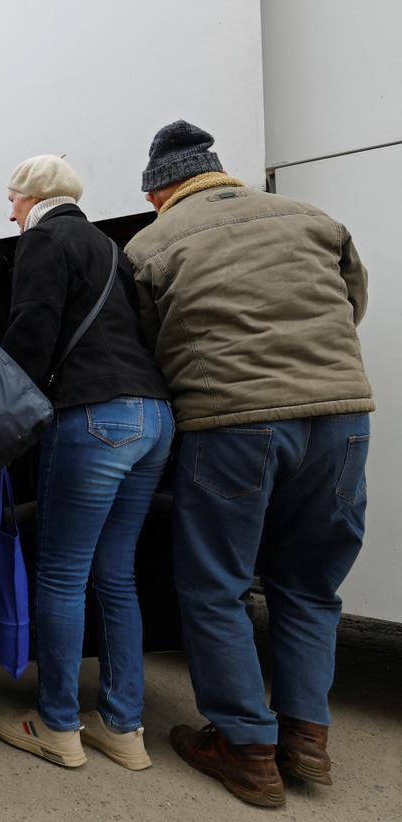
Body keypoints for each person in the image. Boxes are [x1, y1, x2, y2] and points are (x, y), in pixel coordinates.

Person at [126, 121, 373, 807]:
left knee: (217, 585)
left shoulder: (151, 243)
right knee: (311, 583)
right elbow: (351, 304)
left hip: (232, 422)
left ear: (159, 190)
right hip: (341, 418)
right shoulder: (315, 220)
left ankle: (246, 747)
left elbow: (149, 342)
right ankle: (306, 737)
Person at [0, 155, 173, 771]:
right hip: (154, 416)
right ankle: (124, 727)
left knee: (63, 574)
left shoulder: (45, 237)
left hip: (94, 415)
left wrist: (2, 406)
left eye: (11, 202)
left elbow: (33, 329)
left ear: (31, 197)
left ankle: (59, 724)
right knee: (116, 575)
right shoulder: (110, 245)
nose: (10, 214)